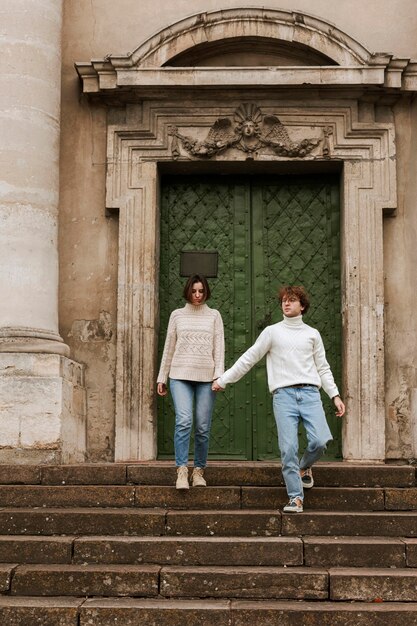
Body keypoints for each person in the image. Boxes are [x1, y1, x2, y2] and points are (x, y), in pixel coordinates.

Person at [212, 285, 345, 513]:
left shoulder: (312, 334)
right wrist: (224, 379)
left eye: (292, 300)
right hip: (283, 396)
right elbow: (249, 358)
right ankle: (295, 497)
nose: (286, 303)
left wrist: (334, 395)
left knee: (321, 441)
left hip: (311, 393)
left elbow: (323, 368)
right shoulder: (272, 332)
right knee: (288, 447)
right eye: (284, 300)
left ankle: (304, 468)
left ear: (302, 306)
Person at [157, 274, 224, 490]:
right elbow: (169, 346)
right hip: (179, 375)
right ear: (188, 291)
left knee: (203, 427)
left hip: (207, 377)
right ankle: (181, 471)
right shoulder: (177, 315)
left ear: (206, 292)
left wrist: (219, 376)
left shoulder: (214, 316)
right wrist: (162, 376)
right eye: (194, 291)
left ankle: (199, 471)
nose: (197, 295)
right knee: (184, 421)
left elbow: (219, 348)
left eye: (201, 291)